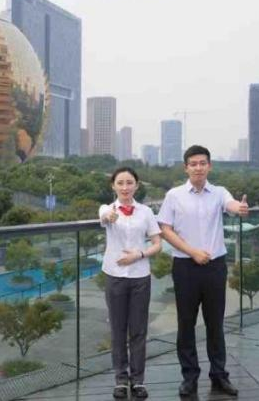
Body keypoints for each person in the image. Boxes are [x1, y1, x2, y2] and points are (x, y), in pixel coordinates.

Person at [157, 145, 249, 398]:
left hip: (214, 267)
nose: (198, 168)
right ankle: (190, 377)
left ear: (210, 166)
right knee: (186, 323)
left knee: (215, 323)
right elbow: (165, 229)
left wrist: (239, 208)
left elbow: (231, 205)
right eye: (193, 164)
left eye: (202, 163)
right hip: (185, 266)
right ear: (186, 168)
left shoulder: (219, 192)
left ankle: (219, 376)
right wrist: (192, 252)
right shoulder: (174, 195)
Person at [99, 166, 162, 399]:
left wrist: (139, 254)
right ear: (113, 186)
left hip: (139, 277)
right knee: (118, 330)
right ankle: (120, 379)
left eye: (129, 183)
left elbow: (157, 244)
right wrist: (109, 216)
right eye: (120, 183)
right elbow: (105, 216)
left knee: (138, 330)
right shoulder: (107, 209)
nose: (125, 187)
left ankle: (138, 380)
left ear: (137, 185)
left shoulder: (146, 212)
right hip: (115, 276)